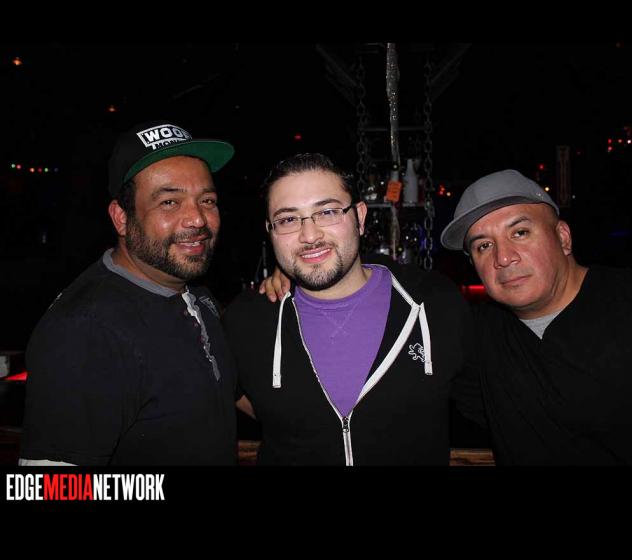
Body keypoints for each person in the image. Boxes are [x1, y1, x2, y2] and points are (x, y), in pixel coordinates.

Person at [221, 153, 473, 465]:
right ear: (270, 231)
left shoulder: (435, 303)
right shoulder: (248, 320)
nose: (309, 236)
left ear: (360, 217)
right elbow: (230, 393)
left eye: (327, 212)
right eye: (288, 220)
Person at [19, 120, 239, 465]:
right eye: (169, 202)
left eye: (207, 200)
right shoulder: (86, 331)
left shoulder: (195, 295)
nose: (197, 219)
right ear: (121, 218)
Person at [440, 169, 632, 465]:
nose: (503, 257)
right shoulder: (478, 337)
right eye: (484, 246)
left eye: (520, 232)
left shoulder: (626, 303)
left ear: (563, 237)